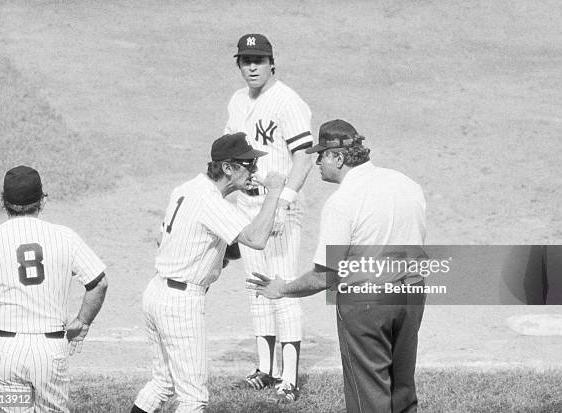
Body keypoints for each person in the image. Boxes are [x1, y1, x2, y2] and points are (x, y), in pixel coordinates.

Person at [248, 120, 428, 413]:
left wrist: (283, 288)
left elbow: (326, 276)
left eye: (322, 154)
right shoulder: (407, 184)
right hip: (413, 294)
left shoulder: (342, 202)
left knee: (368, 395)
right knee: (403, 390)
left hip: (368, 304)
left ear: (339, 157)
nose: (318, 161)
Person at [131, 132, 286, 413]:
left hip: (156, 292)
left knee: (162, 382)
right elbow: (256, 239)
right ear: (228, 168)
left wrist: (215, 258)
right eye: (249, 164)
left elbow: (181, 239)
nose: (255, 170)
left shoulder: (187, 188)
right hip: (180, 304)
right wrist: (274, 193)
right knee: (193, 399)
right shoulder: (211, 201)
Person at [0, 165, 108, 412]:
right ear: (41, 200)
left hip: (5, 349)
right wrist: (83, 322)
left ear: (3, 201)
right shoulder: (65, 237)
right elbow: (99, 282)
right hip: (50, 350)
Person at [224, 33, 314, 401]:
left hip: (279, 205)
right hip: (245, 206)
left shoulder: (288, 101)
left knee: (284, 286)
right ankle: (265, 368)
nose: (252, 67)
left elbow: (304, 157)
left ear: (272, 62)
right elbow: (228, 152)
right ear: (239, 64)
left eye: (259, 60)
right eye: (246, 61)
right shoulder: (236, 101)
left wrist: (285, 200)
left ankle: (288, 378)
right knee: (256, 286)